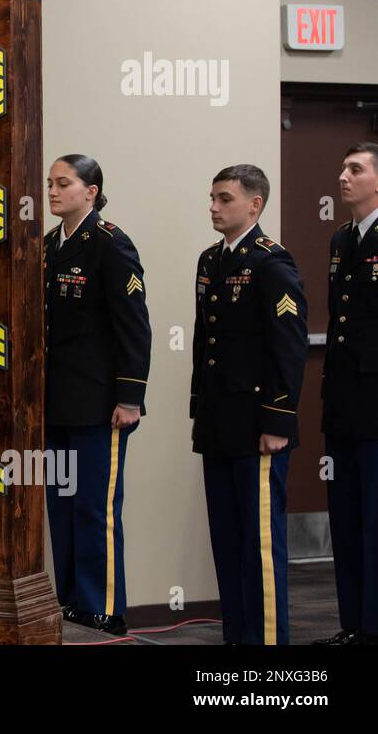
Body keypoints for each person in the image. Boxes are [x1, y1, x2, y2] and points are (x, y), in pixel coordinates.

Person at [190, 164, 306, 645]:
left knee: (259, 546)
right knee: (227, 541)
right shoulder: (211, 260)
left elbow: (288, 346)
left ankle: (266, 642)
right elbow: (205, 342)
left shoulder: (271, 262)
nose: (214, 207)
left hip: (258, 425)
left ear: (254, 205)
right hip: (219, 422)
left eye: (225, 199)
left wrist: (278, 420)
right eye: (212, 198)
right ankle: (237, 637)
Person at [43, 154, 150, 636]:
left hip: (98, 402)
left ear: (91, 191)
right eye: (49, 184)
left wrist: (130, 396)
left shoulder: (110, 244)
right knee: (61, 504)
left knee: (95, 506)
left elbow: (133, 326)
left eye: (63, 183)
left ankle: (103, 604)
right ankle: (70, 599)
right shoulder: (47, 245)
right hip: (56, 401)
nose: (52, 192)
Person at [314, 142, 378, 646]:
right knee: (348, 517)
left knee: (374, 520)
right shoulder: (341, 239)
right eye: (343, 167)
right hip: (344, 401)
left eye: (355, 169)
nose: (343, 176)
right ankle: (353, 624)